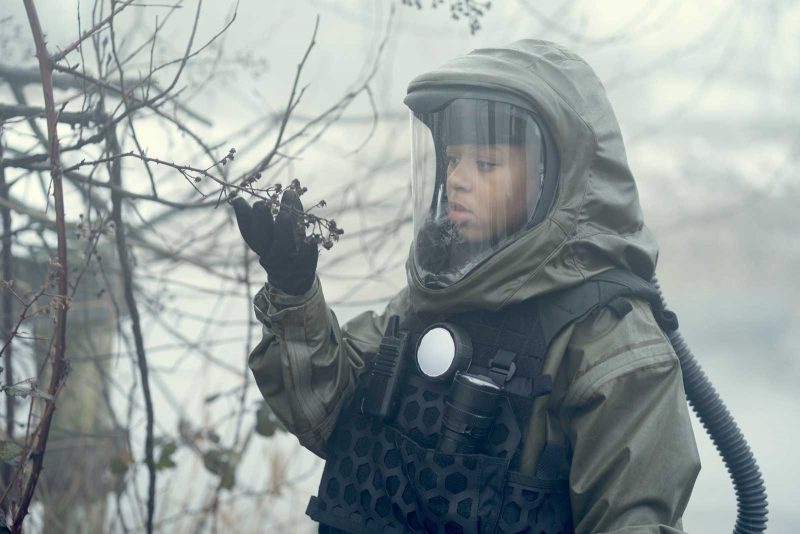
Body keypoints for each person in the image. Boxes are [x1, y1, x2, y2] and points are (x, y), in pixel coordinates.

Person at [234, 39, 700, 534]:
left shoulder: (610, 341)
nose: (456, 179)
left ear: (549, 179)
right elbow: (329, 419)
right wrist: (293, 289)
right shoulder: (430, 298)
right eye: (453, 160)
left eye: (486, 164)